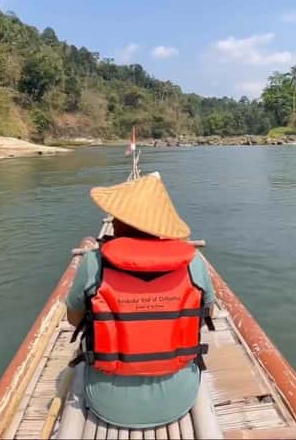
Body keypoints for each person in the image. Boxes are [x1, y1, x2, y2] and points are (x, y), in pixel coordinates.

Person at [65, 173, 216, 428]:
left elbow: (73, 318)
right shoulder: (193, 264)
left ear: (121, 223)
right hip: (178, 398)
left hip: (106, 401)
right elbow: (206, 313)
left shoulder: (94, 263)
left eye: (115, 216)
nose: (112, 221)